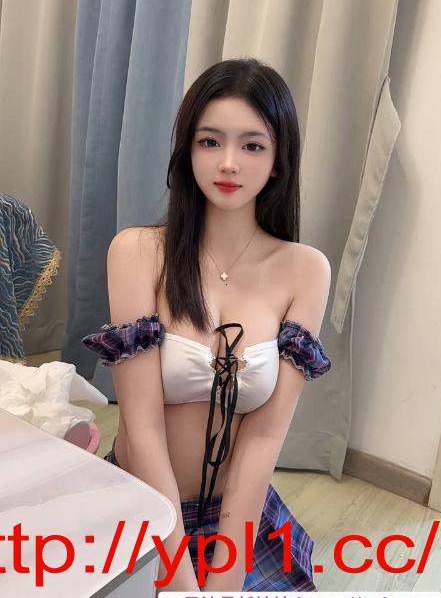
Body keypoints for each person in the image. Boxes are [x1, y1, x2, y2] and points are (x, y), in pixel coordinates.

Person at [82, 57, 332, 592]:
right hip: (143, 506)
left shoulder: (305, 270)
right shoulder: (137, 253)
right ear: (187, 150)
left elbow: (264, 438)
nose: (229, 163)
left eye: (253, 145)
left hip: (237, 519)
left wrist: (223, 578)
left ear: (279, 161)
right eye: (210, 141)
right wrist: (179, 579)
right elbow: (142, 427)